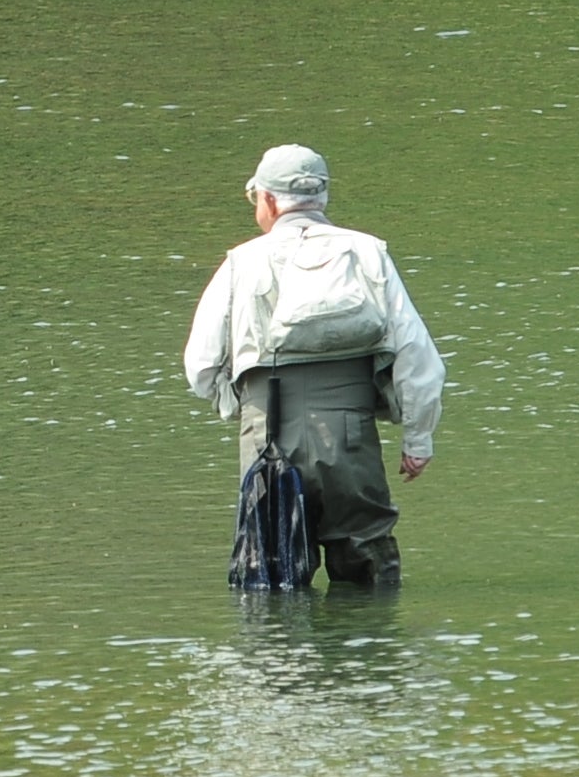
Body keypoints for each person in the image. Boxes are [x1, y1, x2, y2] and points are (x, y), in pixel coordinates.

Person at [182, 143, 446, 585]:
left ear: (267, 200)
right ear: (321, 197)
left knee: (271, 575)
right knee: (369, 568)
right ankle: (367, 647)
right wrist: (417, 440)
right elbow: (418, 358)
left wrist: (244, 409)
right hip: (349, 434)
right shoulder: (367, 252)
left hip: (266, 435)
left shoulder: (240, 263)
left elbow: (202, 365)